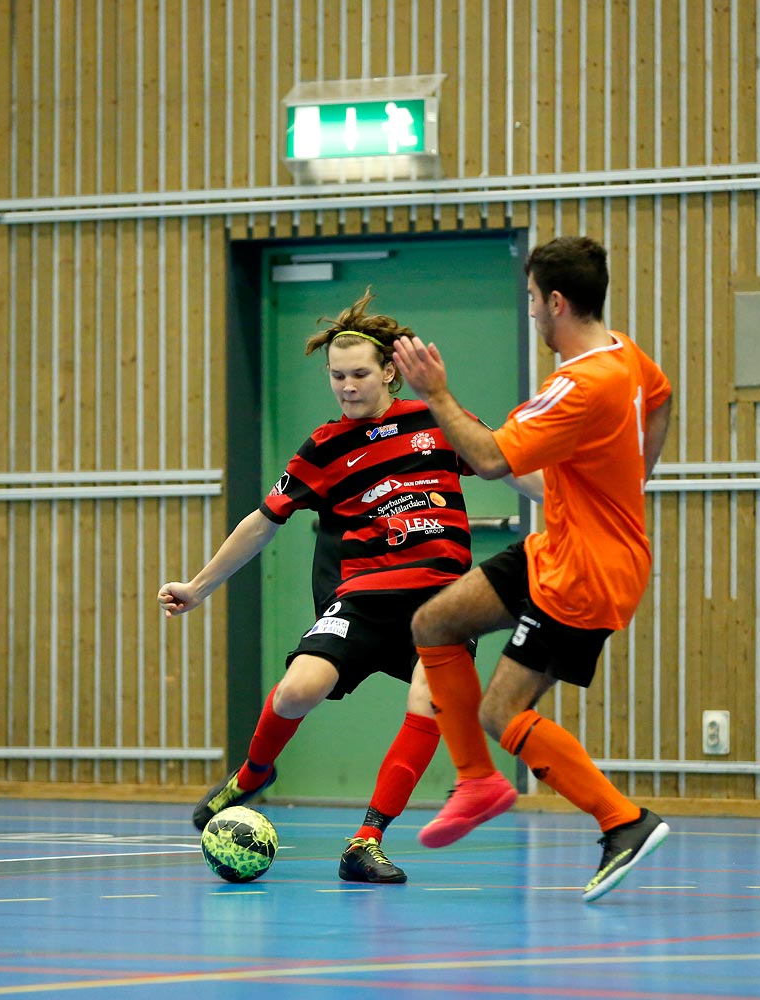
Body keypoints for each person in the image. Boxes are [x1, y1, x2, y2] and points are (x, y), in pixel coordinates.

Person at [159, 288, 542, 884]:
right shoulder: (323, 447)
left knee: (429, 702)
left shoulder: (436, 423)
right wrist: (200, 586)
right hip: (364, 596)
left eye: (359, 373)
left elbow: (512, 467)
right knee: (296, 691)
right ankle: (254, 775)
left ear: (390, 371)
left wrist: (588, 505)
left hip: (442, 599)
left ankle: (366, 841)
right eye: (336, 376)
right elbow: (261, 523)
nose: (346, 385)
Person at [392, 235, 674, 901]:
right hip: (561, 545)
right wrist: (634, 479)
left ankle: (623, 822)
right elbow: (661, 400)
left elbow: (491, 458)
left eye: (530, 302)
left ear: (556, 302)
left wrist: (436, 393)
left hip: (585, 575)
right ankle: (477, 782)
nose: (530, 315)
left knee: (502, 709)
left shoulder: (581, 384)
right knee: (434, 623)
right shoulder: (626, 355)